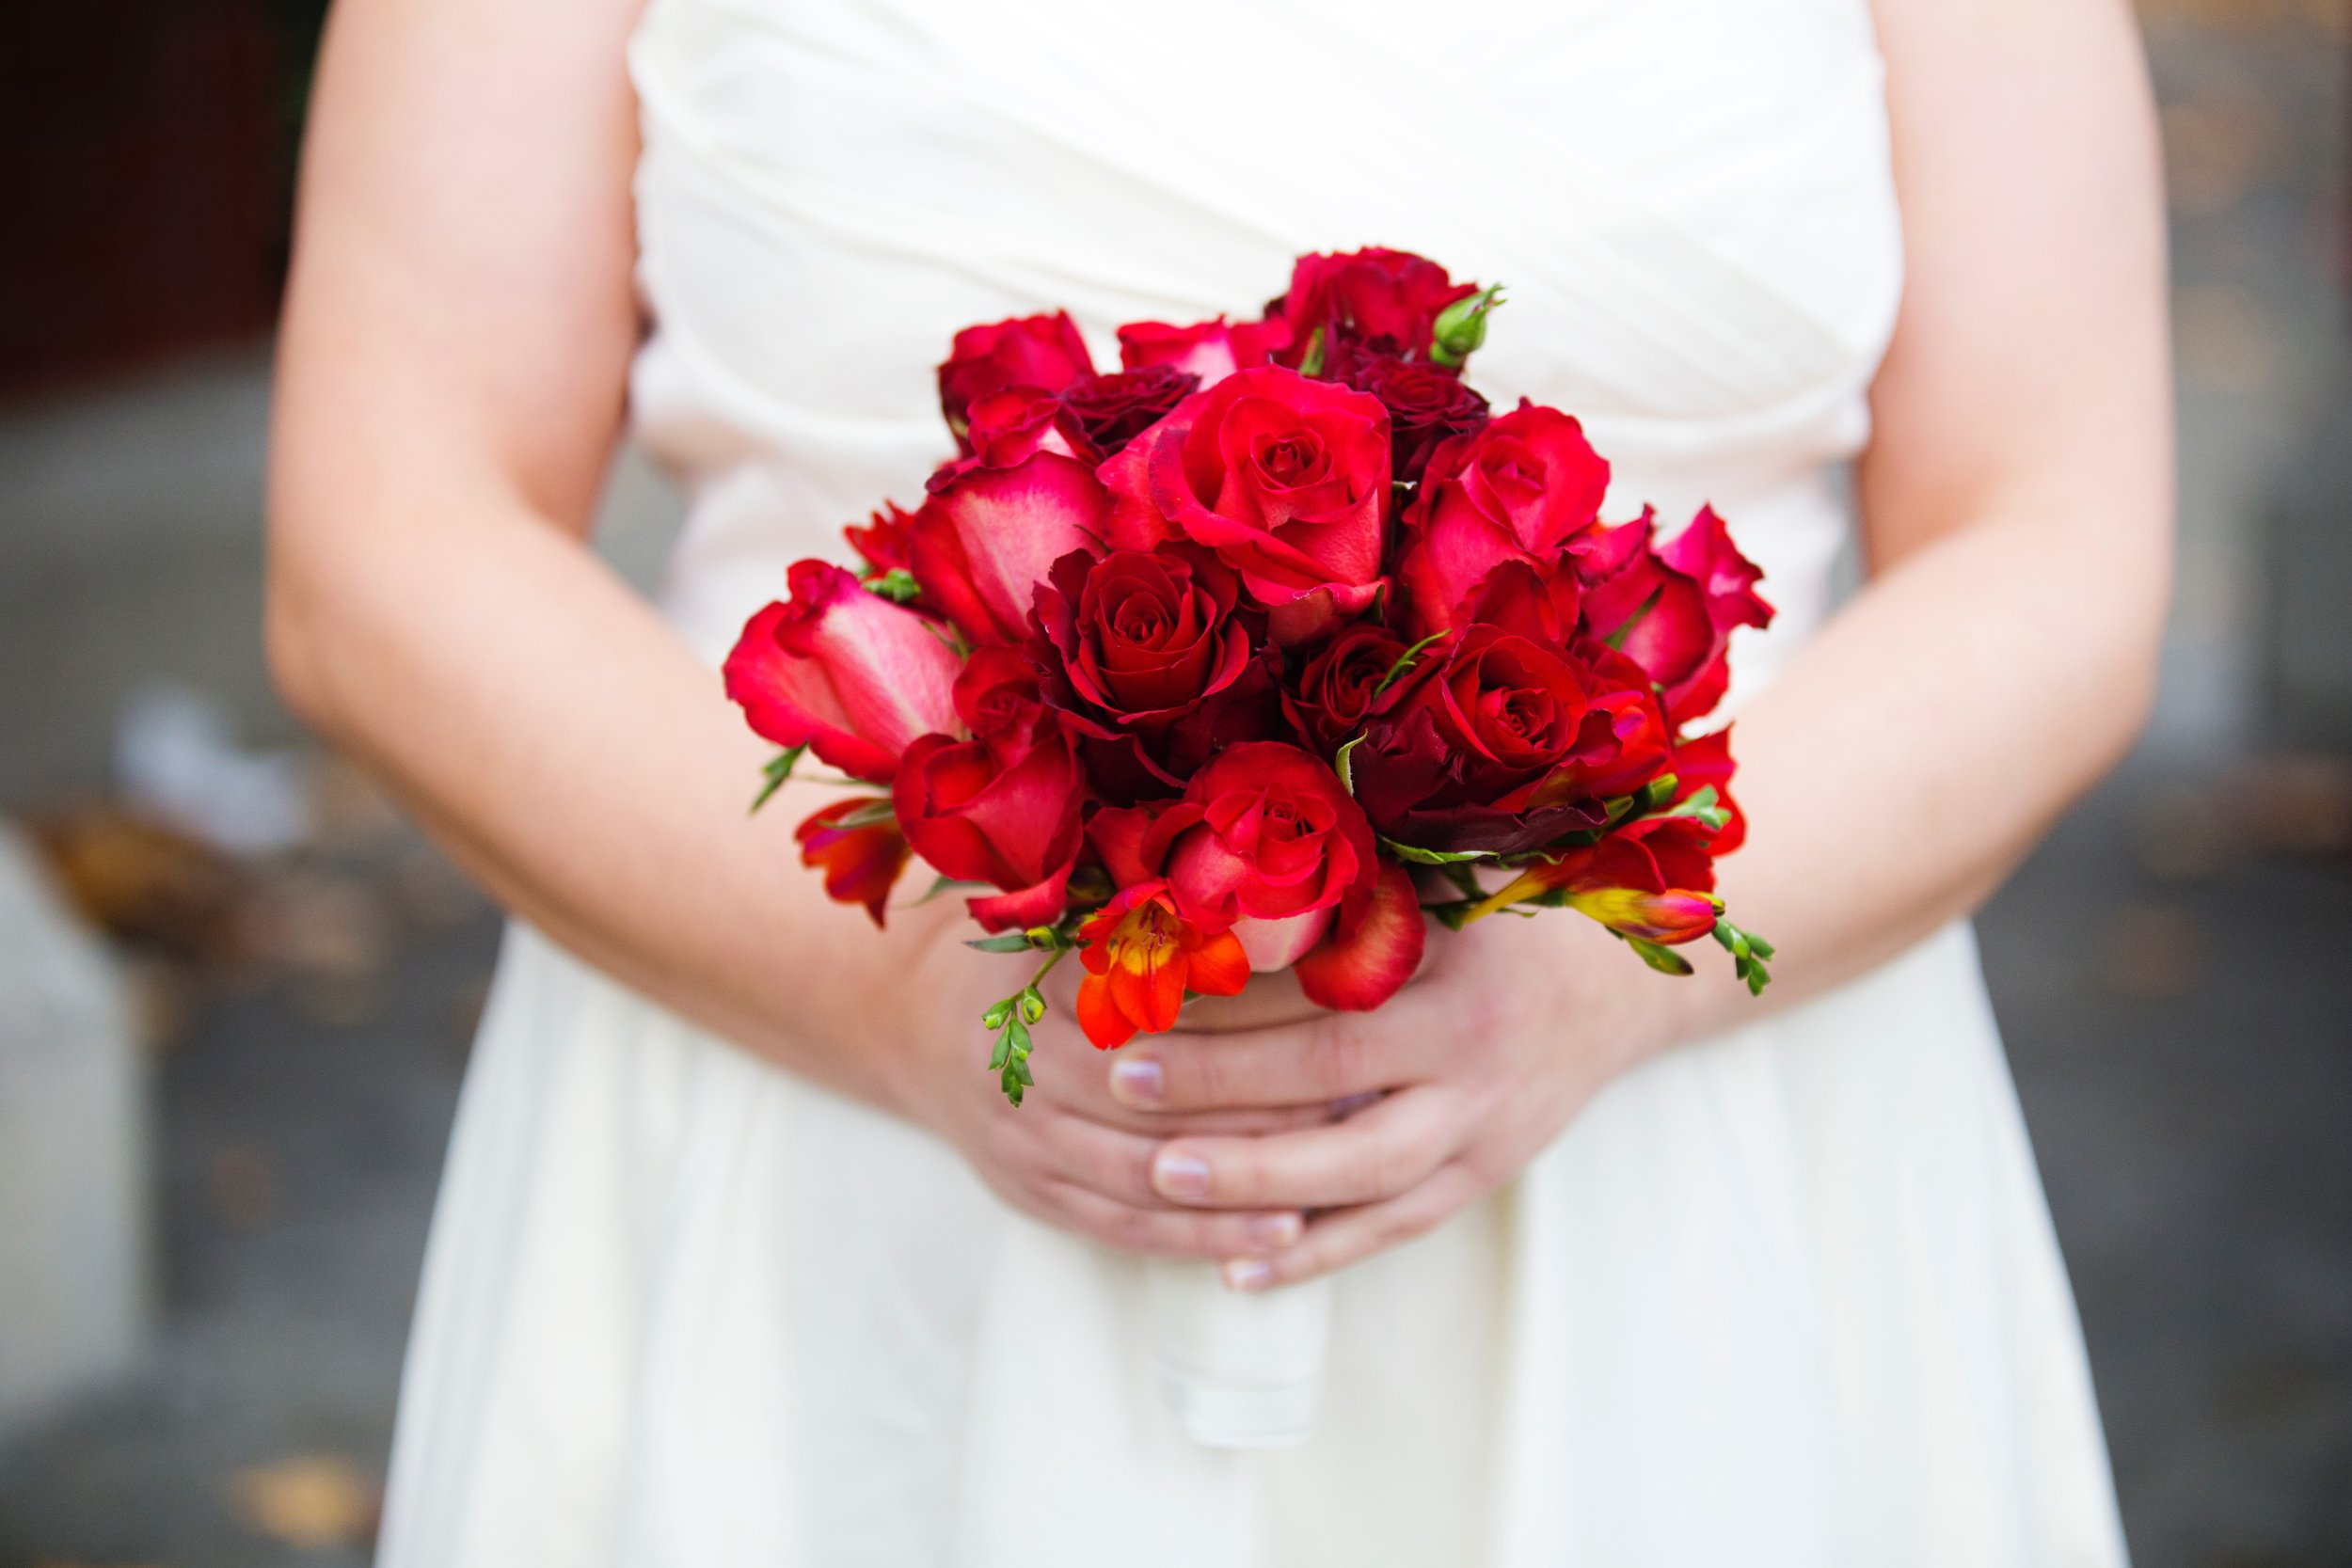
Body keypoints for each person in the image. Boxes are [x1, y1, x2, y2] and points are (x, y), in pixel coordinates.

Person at [267, 0, 2170, 1560]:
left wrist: (1603, 965)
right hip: (830, 1166)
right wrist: (882, 992)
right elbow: (385, 531)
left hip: (1694, 1201)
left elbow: (2051, 527)